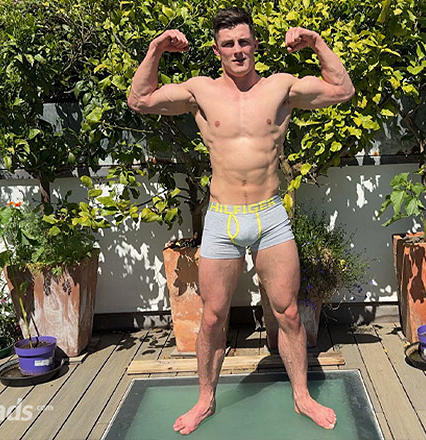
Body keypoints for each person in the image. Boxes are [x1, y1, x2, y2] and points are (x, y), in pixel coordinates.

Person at [127, 7, 354, 436]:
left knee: (288, 312)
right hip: (223, 219)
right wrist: (155, 49)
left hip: (270, 217)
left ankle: (302, 395)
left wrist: (316, 42)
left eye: (244, 41)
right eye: (228, 44)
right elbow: (139, 100)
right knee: (213, 318)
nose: (237, 50)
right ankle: (205, 400)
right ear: (217, 51)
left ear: (255, 45)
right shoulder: (200, 91)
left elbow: (342, 90)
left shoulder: (280, 87)